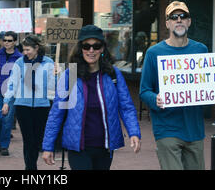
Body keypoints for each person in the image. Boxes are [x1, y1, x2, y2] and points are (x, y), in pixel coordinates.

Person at [41, 25, 141, 170]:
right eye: (86, 46)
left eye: (96, 46)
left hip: (105, 147)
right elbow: (56, 113)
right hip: (78, 147)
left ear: (102, 49)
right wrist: (48, 146)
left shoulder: (113, 74)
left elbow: (126, 106)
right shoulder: (70, 75)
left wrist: (134, 132)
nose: (91, 50)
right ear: (80, 49)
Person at [139, 1, 210, 170]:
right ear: (167, 23)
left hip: (194, 130)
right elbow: (144, 90)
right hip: (167, 129)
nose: (179, 20)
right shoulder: (154, 53)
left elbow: (207, 87)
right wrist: (155, 98)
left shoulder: (201, 50)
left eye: (183, 16)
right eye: (174, 17)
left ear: (189, 21)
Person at [2, 35, 55, 170]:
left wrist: (55, 77)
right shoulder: (19, 62)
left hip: (41, 106)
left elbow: (52, 87)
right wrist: (7, 101)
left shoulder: (48, 62)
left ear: (36, 48)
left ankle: (31, 165)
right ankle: (30, 168)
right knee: (28, 139)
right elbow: (12, 84)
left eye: (28, 50)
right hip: (22, 105)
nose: (25, 53)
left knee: (37, 140)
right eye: (24, 50)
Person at [0, 31, 22, 156]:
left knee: (7, 120)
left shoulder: (20, 58)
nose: (6, 42)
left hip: (11, 93)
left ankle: (4, 145)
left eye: (9, 40)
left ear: (15, 42)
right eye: (5, 40)